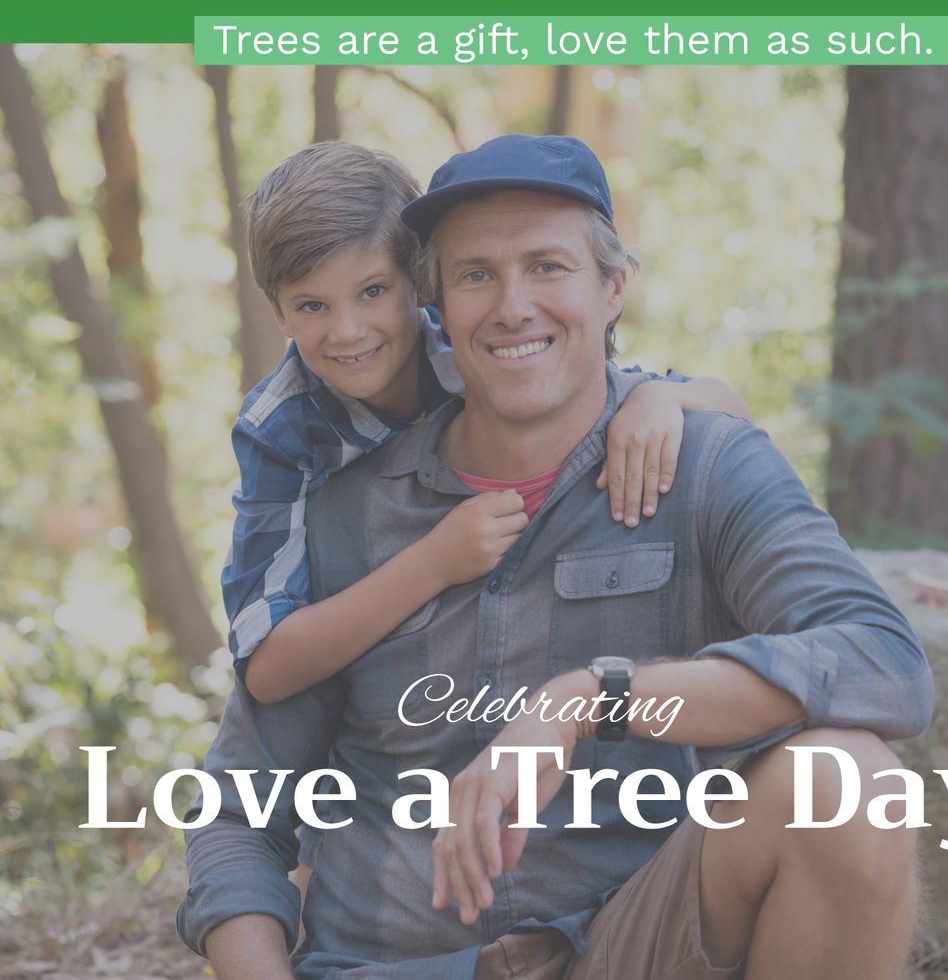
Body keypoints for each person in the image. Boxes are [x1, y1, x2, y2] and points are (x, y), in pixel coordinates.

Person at [180, 135, 933, 980]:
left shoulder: (702, 464)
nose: (511, 306)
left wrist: (590, 699)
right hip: (385, 964)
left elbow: (881, 661)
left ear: (613, 288)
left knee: (849, 782)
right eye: (475, 275)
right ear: (438, 303)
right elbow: (238, 807)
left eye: (547, 266)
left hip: (626, 947)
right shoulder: (339, 503)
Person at [224, 142, 750, 706]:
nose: (348, 330)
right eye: (312, 306)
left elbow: (727, 412)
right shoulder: (280, 428)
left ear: (422, 287)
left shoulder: (473, 344)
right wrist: (433, 563)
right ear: (278, 313)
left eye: (373, 291)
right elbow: (265, 667)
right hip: (383, 647)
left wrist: (661, 397)